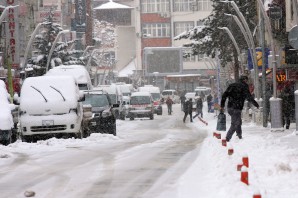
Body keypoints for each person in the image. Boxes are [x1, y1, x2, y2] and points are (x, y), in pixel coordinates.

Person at [220, 75, 259, 142]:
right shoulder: (244, 86)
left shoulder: (232, 85)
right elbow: (249, 97)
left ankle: (239, 135)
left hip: (230, 107)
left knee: (238, 121)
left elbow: (224, 95)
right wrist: (256, 104)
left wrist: (222, 105)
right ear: (245, 80)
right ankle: (227, 138)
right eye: (246, 80)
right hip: (237, 108)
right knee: (235, 123)